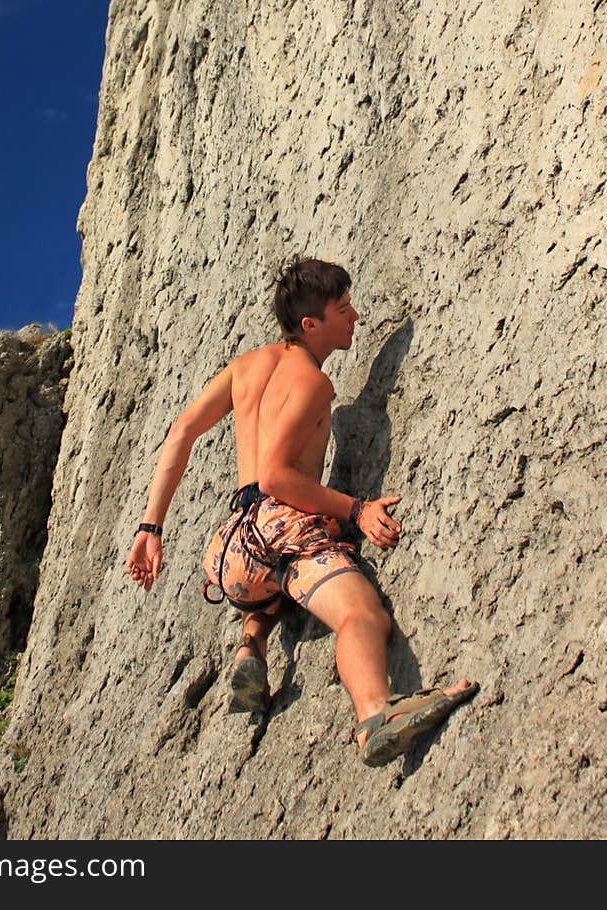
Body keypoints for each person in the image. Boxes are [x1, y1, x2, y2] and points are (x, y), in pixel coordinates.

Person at [124, 255, 477, 765]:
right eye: (343, 308)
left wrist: (150, 526)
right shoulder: (313, 383)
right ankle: (376, 713)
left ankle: (252, 643)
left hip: (233, 549)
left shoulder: (244, 367)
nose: (355, 316)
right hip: (281, 522)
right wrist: (356, 510)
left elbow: (181, 432)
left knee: (276, 584)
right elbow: (278, 476)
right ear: (312, 325)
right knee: (360, 614)